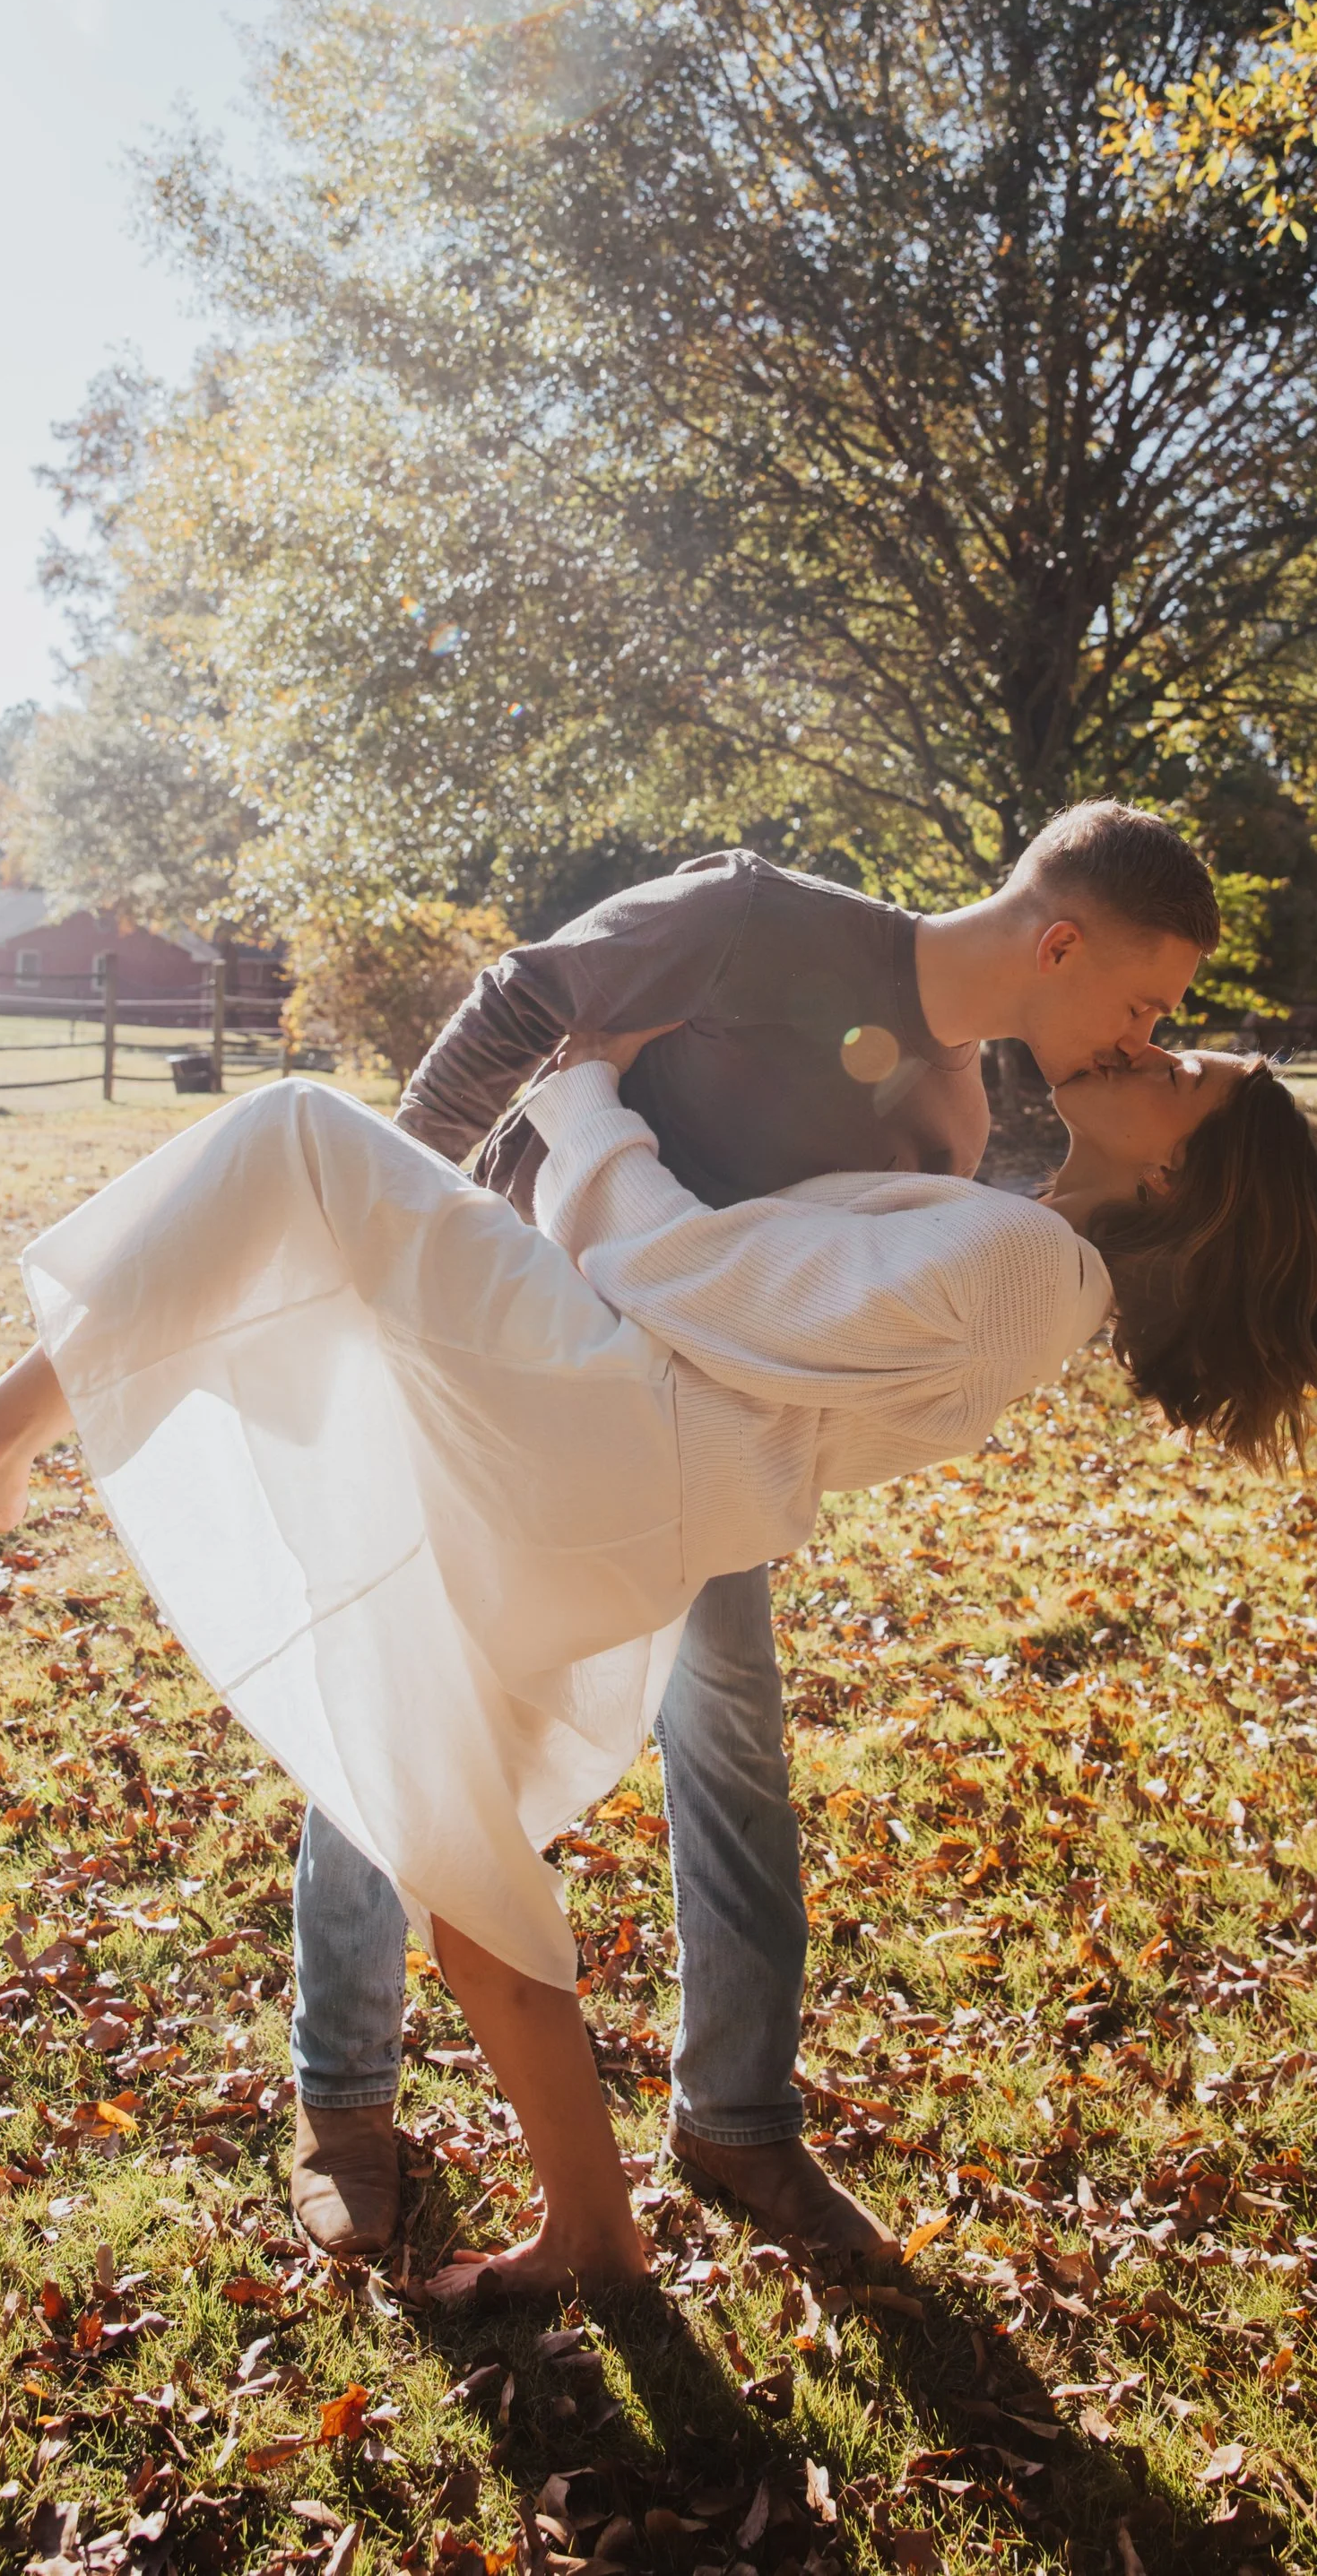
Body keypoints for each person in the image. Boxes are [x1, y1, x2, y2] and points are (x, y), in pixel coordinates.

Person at [0, 1015, 1317, 2304]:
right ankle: (592, 2229)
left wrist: (586, 1088)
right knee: (448, 1819)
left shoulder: (1026, 1272)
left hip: (615, 1419)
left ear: (1177, 1185)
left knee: (291, 1141)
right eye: (1175, 1042)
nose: (1151, 1051)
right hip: (635, 1491)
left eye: (1182, 1078)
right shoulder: (1020, 1254)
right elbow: (764, 1293)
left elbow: (695, 1280)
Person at [299, 802, 1218, 2268]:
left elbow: (825, 1306)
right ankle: (342, 2097)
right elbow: (523, 1006)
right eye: (1142, 1003)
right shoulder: (749, 914)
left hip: (680, 1448)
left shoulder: (952, 1115)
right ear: (1058, 942)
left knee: (733, 1749)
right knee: (400, 1704)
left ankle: (739, 2112)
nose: (1138, 1036)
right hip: (509, 1386)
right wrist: (389, 1225)